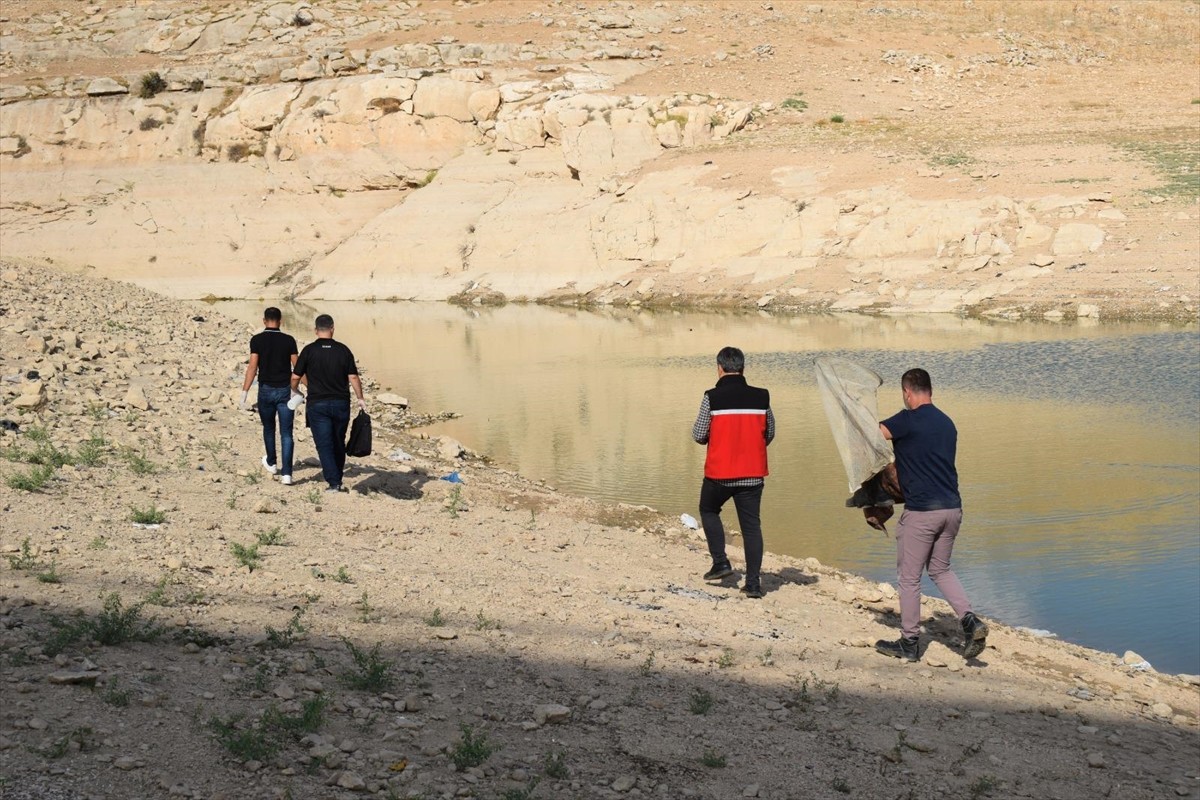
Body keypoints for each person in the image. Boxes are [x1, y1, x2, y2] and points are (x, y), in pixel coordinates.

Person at [874, 368, 988, 662]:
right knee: (940, 569)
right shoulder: (947, 423)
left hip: (922, 513)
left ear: (907, 393)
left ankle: (909, 642)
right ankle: (969, 621)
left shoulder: (906, 420)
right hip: (952, 509)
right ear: (931, 392)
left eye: (905, 395)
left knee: (909, 578)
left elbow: (872, 435)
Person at [692, 346, 775, 599]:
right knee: (751, 527)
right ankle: (753, 585)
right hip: (752, 474)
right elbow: (769, 433)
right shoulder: (762, 397)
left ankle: (720, 562)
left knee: (708, 510)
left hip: (719, 473)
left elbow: (698, 434)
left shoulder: (711, 397)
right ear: (743, 368)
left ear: (719, 368)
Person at [290, 314, 366, 493]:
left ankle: (334, 482)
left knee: (324, 444)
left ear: (316, 330)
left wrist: (296, 391)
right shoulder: (343, 350)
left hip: (318, 404)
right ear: (332, 328)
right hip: (341, 404)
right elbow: (353, 377)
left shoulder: (309, 351)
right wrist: (360, 398)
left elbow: (295, 377)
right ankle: (336, 477)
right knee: (338, 441)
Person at [240, 307, 298, 485]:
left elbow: (252, 367)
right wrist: (308, 389)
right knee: (287, 433)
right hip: (285, 391)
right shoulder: (289, 340)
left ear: (264, 320)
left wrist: (245, 392)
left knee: (269, 427)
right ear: (280, 321)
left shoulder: (257, 340)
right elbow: (298, 367)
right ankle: (287, 474)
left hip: (265, 390)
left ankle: (272, 463)